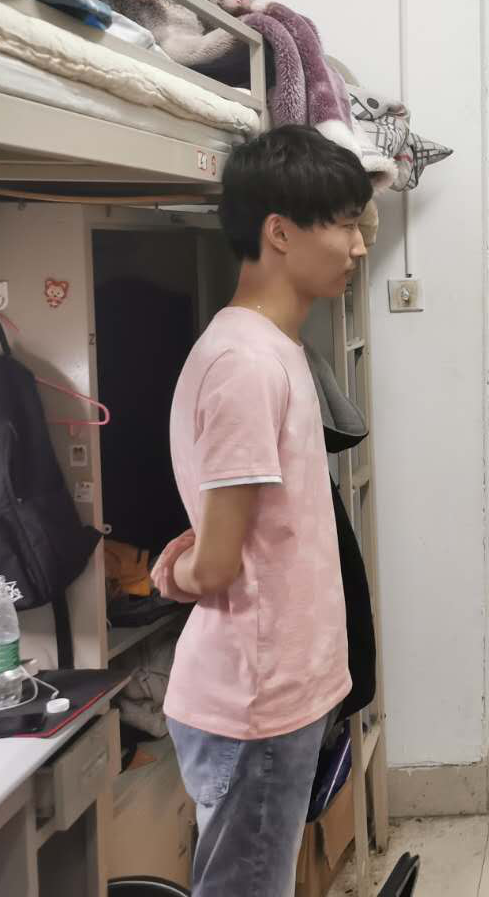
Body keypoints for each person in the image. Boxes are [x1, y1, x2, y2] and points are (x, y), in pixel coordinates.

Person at [151, 125, 370, 896]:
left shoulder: (276, 348)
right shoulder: (245, 363)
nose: (359, 246)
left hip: (281, 689)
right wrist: (170, 572)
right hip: (255, 700)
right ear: (280, 231)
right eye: (345, 224)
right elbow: (215, 565)